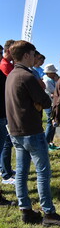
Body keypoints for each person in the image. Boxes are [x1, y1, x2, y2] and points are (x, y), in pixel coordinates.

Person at [6, 40, 60, 225]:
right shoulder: (27, 76)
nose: (36, 58)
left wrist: (36, 103)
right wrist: (38, 103)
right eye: (34, 54)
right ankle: (49, 213)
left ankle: (25, 210)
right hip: (31, 131)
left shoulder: (12, 75)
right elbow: (45, 101)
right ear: (26, 55)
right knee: (43, 173)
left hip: (16, 131)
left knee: (21, 172)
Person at [0, 44, 16, 188]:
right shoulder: (4, 66)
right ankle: (5, 174)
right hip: (3, 111)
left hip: (4, 111)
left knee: (6, 142)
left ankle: (6, 170)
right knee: (6, 143)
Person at [43, 64, 60, 151]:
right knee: (50, 124)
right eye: (53, 72)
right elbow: (55, 91)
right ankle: (46, 143)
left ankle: (50, 142)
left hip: (53, 103)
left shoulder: (51, 79)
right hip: (50, 104)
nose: (54, 73)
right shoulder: (47, 81)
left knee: (53, 124)